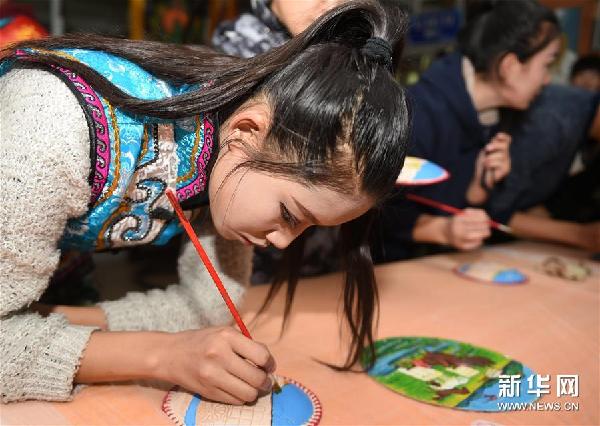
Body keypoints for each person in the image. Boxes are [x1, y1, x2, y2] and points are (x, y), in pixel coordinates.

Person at [0, 0, 410, 404]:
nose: (284, 243)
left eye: (307, 226)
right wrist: (164, 356)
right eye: (289, 214)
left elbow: (207, 310)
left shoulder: (232, 149)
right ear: (247, 131)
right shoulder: (50, 123)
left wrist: (45, 323)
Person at [374, 0, 577, 262]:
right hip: (382, 270)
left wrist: (477, 188)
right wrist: (442, 230)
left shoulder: (498, 118)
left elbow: (455, 200)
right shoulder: (419, 113)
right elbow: (375, 209)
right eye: (547, 64)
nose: (548, 79)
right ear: (510, 66)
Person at [212, 0, 347, 284]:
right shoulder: (235, 61)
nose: (332, 3)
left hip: (320, 259)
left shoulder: (353, 64)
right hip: (244, 260)